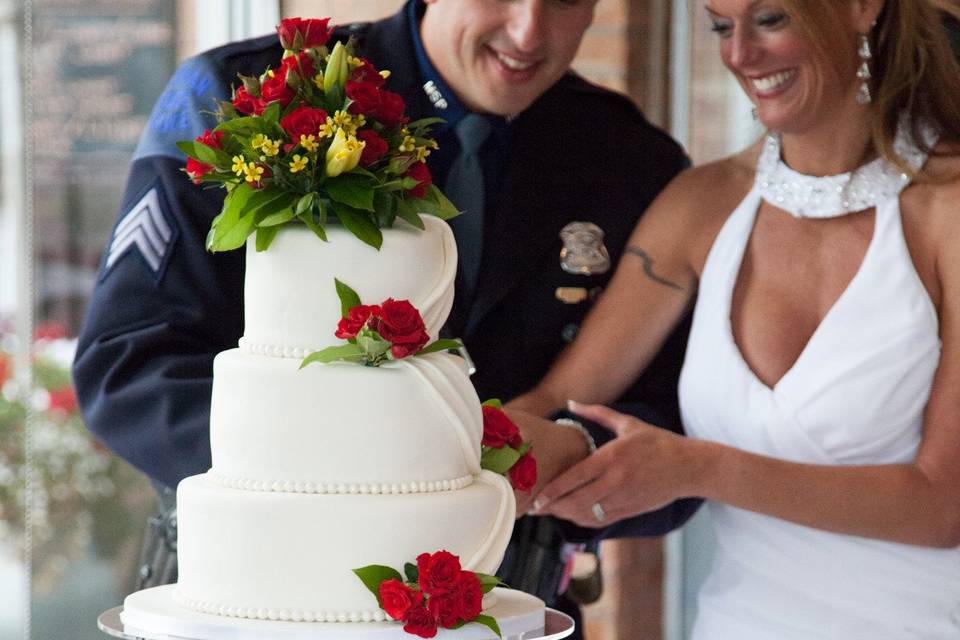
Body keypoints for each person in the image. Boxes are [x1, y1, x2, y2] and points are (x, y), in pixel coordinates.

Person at [71, 0, 699, 634]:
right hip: (248, 604)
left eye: (564, 0)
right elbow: (128, 365)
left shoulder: (631, 159)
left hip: (505, 608)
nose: (528, 29)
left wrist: (579, 451)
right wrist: (363, 473)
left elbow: (677, 427)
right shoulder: (248, 96)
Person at [508, 0, 960, 637]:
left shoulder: (947, 210)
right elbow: (558, 398)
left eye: (770, 19)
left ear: (863, 9)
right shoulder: (701, 204)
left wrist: (698, 466)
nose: (740, 55)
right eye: (722, 27)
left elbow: (944, 506)